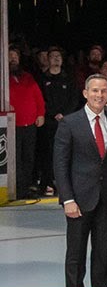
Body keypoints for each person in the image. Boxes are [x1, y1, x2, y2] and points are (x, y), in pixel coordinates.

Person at [53, 74, 107, 287]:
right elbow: (60, 165)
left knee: (102, 252)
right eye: (95, 91)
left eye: (104, 91)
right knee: (75, 254)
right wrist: (67, 199)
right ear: (85, 93)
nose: (99, 95)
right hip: (78, 200)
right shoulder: (70, 123)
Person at [40, 47, 78, 197]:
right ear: (47, 59)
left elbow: (74, 99)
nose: (56, 58)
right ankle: (48, 182)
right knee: (48, 153)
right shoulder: (42, 79)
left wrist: (65, 114)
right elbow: (41, 99)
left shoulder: (68, 78)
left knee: (68, 153)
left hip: (66, 121)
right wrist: (53, 113)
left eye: (58, 56)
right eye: (53, 56)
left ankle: (67, 184)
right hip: (49, 122)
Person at [10, 47, 46, 198]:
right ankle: (16, 189)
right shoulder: (3, 78)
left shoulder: (28, 77)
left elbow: (38, 97)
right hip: (12, 124)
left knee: (29, 157)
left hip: (30, 123)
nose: (13, 59)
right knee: (15, 158)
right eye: (10, 56)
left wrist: (41, 113)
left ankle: (25, 188)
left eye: (15, 56)